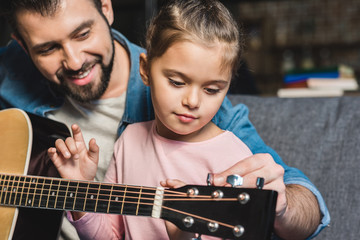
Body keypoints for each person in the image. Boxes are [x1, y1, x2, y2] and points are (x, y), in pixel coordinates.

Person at [0, 0, 329, 239]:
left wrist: (282, 206)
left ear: (106, 8)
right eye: (47, 49)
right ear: (22, 47)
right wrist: (80, 193)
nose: (73, 61)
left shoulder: (206, 113)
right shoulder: (11, 72)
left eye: (83, 34)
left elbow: (294, 199)